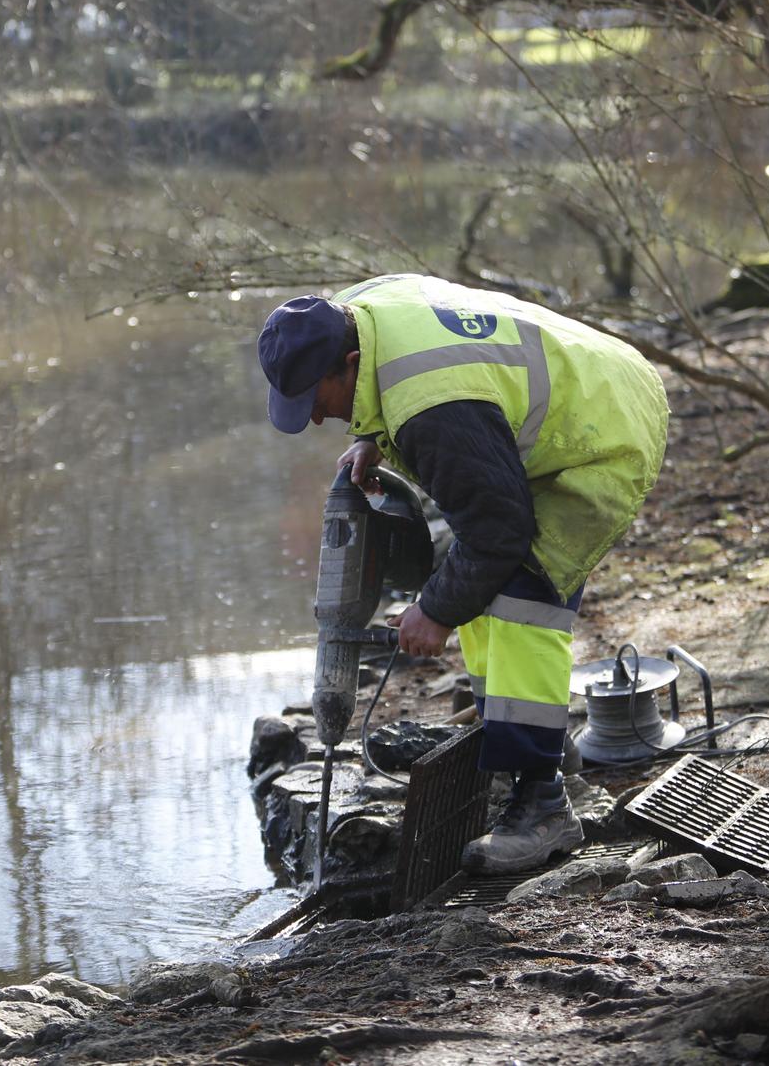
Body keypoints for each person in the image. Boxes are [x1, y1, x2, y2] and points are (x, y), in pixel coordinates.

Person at [257, 273, 669, 873]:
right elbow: (400, 370)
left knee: (518, 600)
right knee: (473, 584)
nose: (317, 421)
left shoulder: (434, 408)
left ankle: (544, 806)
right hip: (573, 387)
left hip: (604, 428)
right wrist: (374, 434)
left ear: (348, 363)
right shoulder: (357, 311)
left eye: (316, 401)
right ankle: (548, 750)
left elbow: (499, 533)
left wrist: (436, 612)